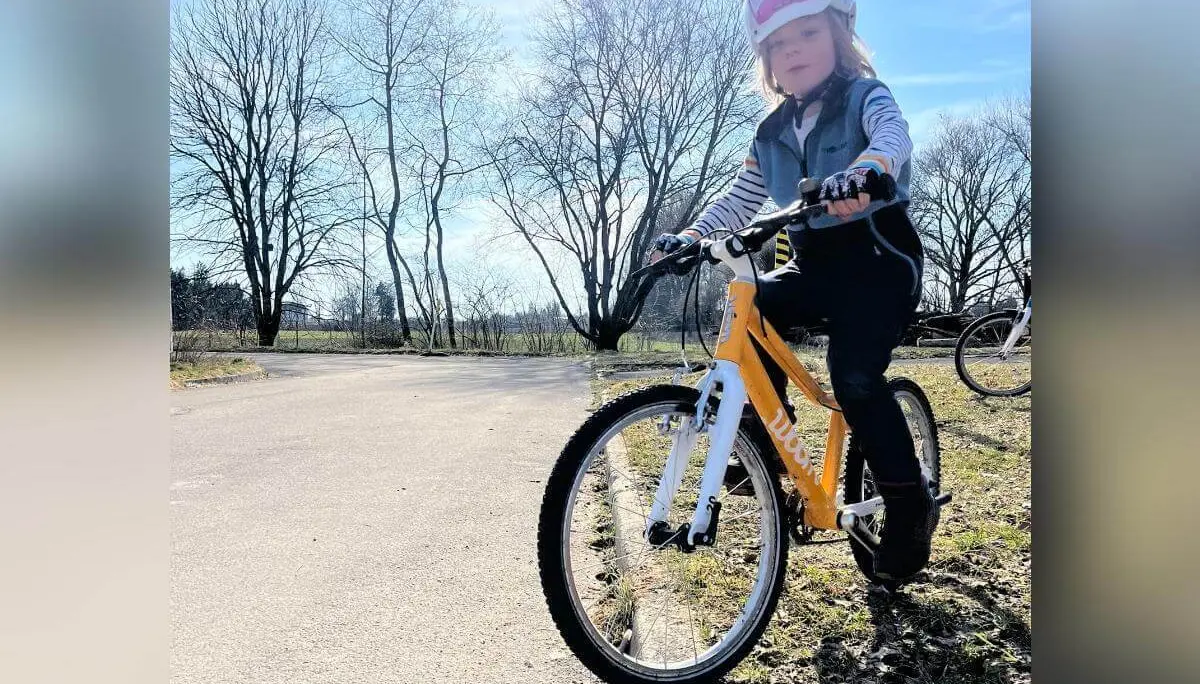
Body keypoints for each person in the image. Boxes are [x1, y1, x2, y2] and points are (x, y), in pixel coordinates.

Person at [647, 0, 935, 582]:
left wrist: (871, 167)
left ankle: (908, 508)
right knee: (753, 306)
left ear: (839, 36)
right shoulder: (770, 131)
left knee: (854, 377)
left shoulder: (864, 95)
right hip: (813, 264)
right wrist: (692, 235)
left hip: (880, 263)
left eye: (807, 33)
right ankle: (762, 442)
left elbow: (892, 134)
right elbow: (741, 196)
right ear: (767, 60)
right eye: (779, 44)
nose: (794, 49)